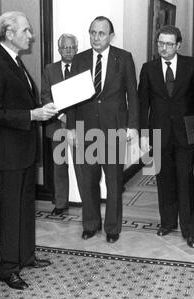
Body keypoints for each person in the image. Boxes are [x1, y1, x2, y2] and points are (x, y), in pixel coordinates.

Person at [0, 11, 57, 290]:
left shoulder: (14, 61)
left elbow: (21, 103)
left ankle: (25, 256)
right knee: (9, 212)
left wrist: (41, 112)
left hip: (22, 150)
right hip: (7, 154)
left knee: (25, 207)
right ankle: (7, 267)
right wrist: (31, 115)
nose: (31, 36)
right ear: (9, 33)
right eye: (26, 31)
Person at [68, 16, 139, 243]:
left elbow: (133, 96)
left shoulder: (124, 58)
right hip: (86, 131)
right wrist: (70, 129)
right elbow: (71, 99)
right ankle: (90, 224)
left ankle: (112, 228)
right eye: (92, 32)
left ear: (111, 36)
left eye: (101, 33)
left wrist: (132, 126)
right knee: (88, 180)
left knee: (114, 182)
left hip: (114, 130)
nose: (95, 37)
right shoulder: (79, 60)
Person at [139, 25, 194, 249]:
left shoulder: (191, 65)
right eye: (160, 43)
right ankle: (167, 222)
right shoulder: (148, 68)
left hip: (186, 132)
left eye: (169, 44)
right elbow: (143, 104)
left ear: (178, 45)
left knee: (185, 180)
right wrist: (143, 134)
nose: (164, 48)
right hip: (158, 132)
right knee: (163, 179)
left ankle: (190, 230)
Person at [41, 34, 79, 216]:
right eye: (65, 47)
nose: (69, 51)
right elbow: (45, 96)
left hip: (79, 127)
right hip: (57, 126)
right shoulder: (50, 69)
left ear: (76, 49)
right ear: (59, 50)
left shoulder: (83, 67)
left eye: (72, 47)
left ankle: (88, 201)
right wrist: (62, 115)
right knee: (59, 166)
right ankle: (61, 203)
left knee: (83, 165)